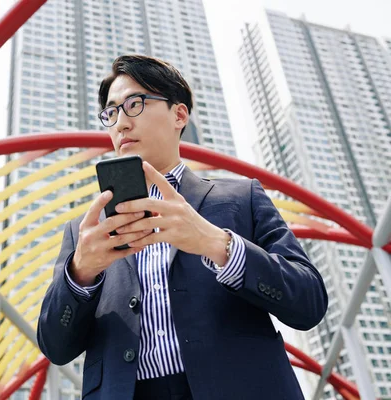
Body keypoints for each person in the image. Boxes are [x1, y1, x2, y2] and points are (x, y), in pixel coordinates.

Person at [37, 54, 328, 400]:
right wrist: (80, 273)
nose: (121, 124)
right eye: (111, 113)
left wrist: (219, 245)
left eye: (134, 104)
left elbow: (309, 302)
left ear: (179, 114)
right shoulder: (86, 233)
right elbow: (55, 347)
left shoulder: (241, 197)